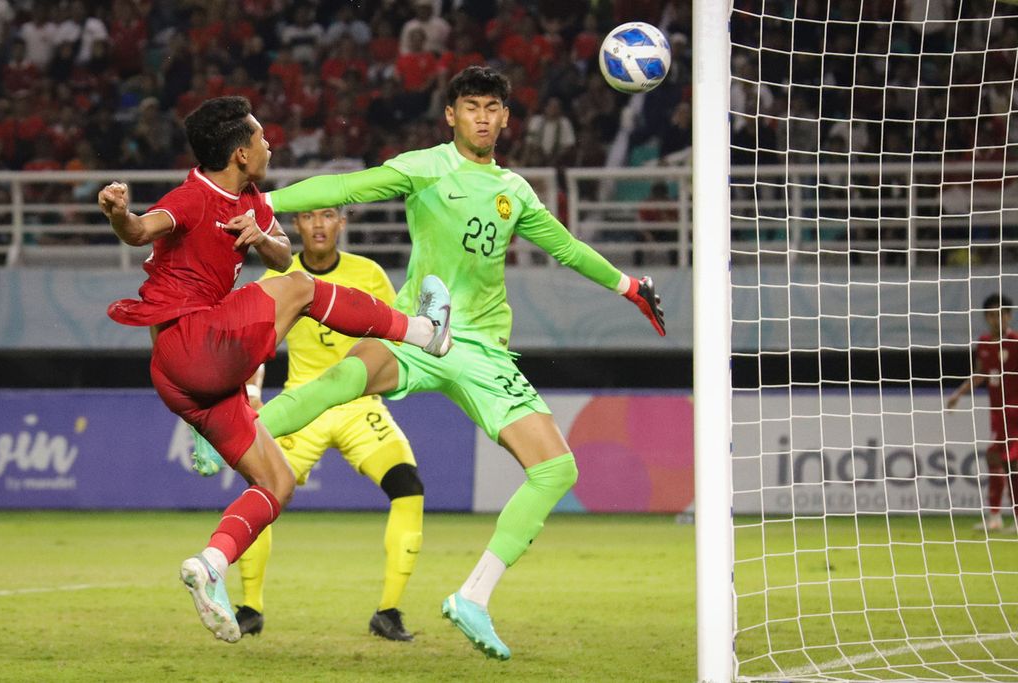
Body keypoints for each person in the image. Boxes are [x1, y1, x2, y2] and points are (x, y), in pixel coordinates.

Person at [221, 66, 666, 660]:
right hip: (422, 328)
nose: (483, 116)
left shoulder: (515, 191)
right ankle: (225, 434)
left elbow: (564, 247)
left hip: (482, 349)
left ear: (507, 118)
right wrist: (262, 203)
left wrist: (628, 285)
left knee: (557, 470)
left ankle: (473, 597)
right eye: (471, 106)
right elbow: (347, 186)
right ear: (451, 115)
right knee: (343, 379)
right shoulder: (426, 166)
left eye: (493, 107)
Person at [97, 95, 451, 644]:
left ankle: (211, 565)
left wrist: (261, 237)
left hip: (180, 381)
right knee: (304, 289)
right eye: (262, 138)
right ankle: (423, 332)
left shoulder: (254, 201)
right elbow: (144, 230)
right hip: (194, 342)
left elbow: (282, 256)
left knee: (277, 482)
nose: (270, 144)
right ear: (240, 153)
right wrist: (120, 213)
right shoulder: (195, 196)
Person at [196, 206, 424, 642]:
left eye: (329, 216)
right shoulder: (278, 278)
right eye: (309, 217)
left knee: (408, 487)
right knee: (261, 492)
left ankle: (389, 611)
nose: (319, 225)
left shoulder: (370, 272)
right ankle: (250, 608)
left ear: (342, 223)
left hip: (360, 405)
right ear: (295, 226)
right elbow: (253, 348)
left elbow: (394, 335)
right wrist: (253, 394)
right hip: (304, 404)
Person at [948, 293, 1018, 532]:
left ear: (1009, 315)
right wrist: (959, 393)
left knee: (1006, 462)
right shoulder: (985, 343)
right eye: (991, 315)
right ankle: (997, 517)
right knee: (998, 461)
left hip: (1015, 415)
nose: (996, 319)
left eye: (1001, 314)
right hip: (998, 415)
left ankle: (1003, 517)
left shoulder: (1016, 342)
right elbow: (980, 373)